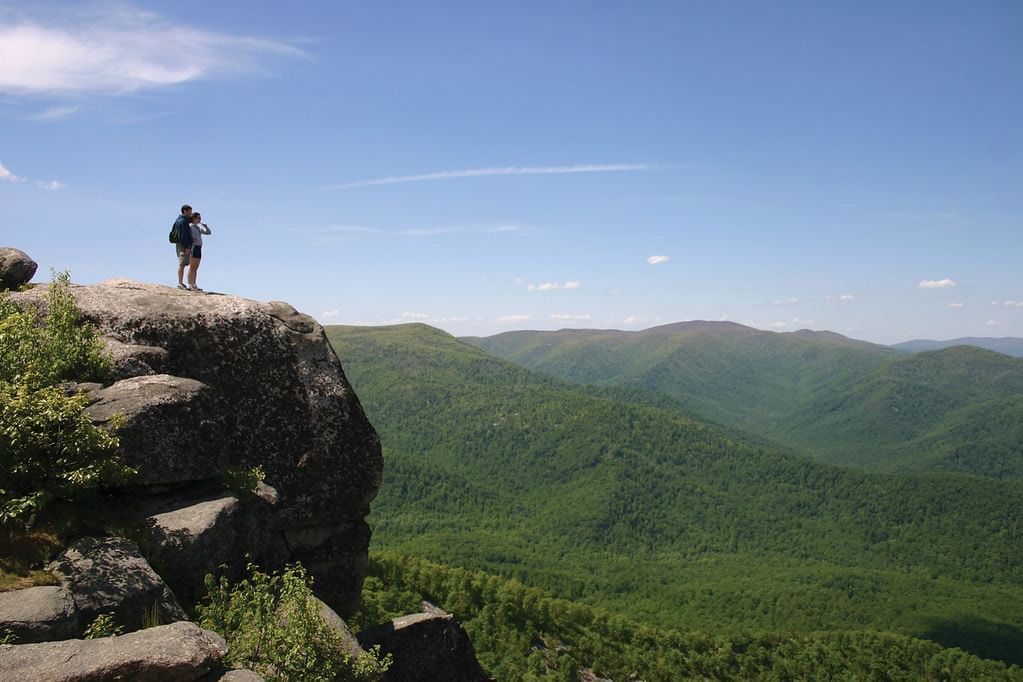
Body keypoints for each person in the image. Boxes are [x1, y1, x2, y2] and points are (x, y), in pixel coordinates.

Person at [186, 211, 212, 291]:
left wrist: (206, 227)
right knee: (192, 267)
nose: (200, 220)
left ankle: (194, 284)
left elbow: (208, 233)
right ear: (194, 218)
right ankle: (190, 284)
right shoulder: (190, 227)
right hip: (193, 247)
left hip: (199, 247)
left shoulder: (197, 228)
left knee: (196, 268)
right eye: (198, 218)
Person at [173, 204, 193, 290]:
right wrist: (187, 247)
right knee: (182, 264)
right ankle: (180, 283)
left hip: (182, 244)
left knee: (183, 264)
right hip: (182, 245)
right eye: (189, 211)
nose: (190, 213)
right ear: (185, 211)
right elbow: (183, 235)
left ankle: (181, 282)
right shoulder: (182, 221)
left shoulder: (182, 220)